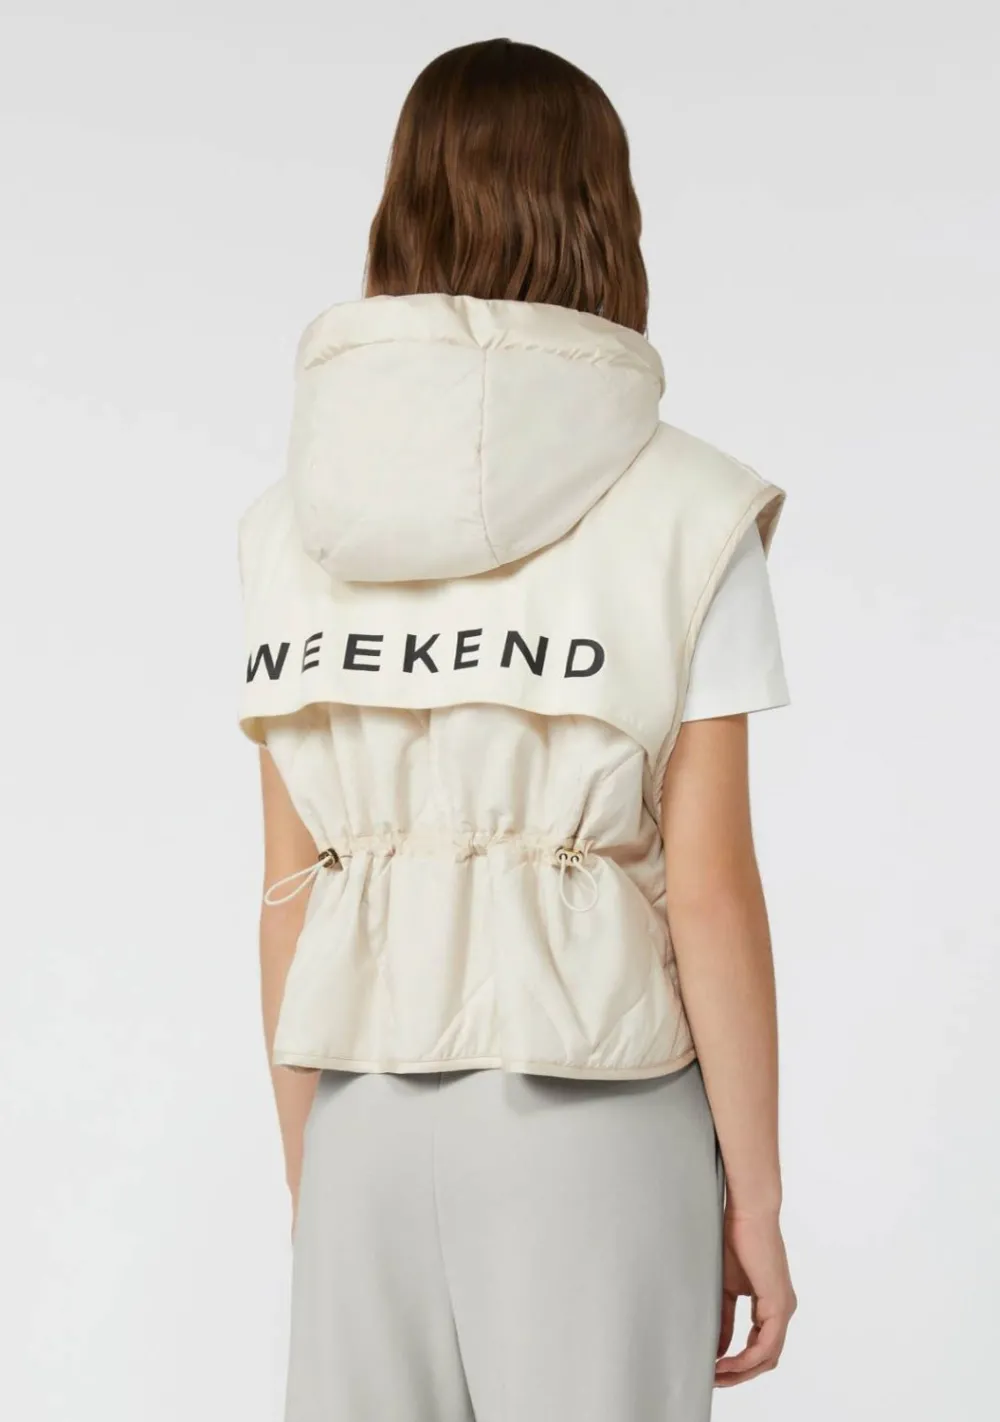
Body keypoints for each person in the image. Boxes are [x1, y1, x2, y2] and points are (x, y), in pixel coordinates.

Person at [237, 36, 797, 1422]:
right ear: (603, 212)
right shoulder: (689, 509)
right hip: (595, 1114)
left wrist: (317, 1167)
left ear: (401, 210)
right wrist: (756, 1198)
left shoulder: (291, 525)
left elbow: (291, 888)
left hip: (357, 1110)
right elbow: (710, 890)